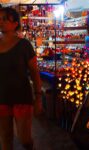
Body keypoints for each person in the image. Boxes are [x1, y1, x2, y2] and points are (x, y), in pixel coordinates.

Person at [0, 7, 42, 150]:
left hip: (21, 97)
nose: (1, 22)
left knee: (25, 139)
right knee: (5, 137)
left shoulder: (24, 45)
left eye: (5, 19)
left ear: (15, 23)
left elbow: (35, 73)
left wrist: (38, 98)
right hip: (2, 97)